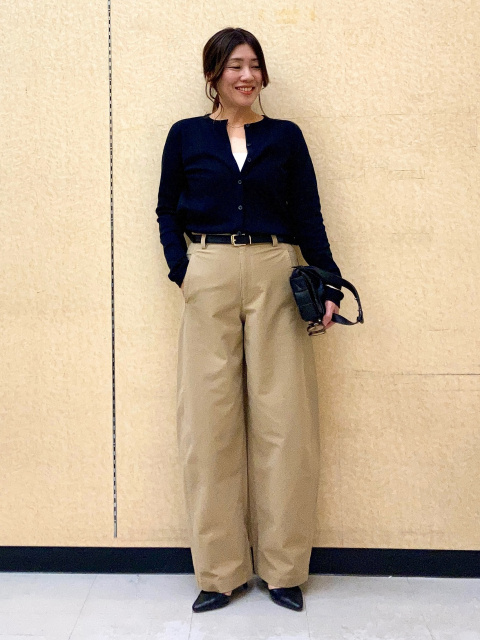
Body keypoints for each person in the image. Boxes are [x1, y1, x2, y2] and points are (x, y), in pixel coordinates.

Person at [155, 27, 343, 613]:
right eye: (235, 65)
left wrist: (329, 281)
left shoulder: (285, 137)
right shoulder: (185, 136)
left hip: (275, 271)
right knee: (207, 427)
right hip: (207, 271)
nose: (247, 75)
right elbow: (165, 210)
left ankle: (284, 570)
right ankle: (219, 573)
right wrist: (183, 269)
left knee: (285, 425)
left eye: (254, 64)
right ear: (212, 73)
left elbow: (308, 213)